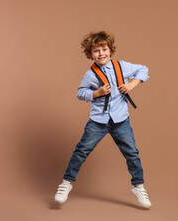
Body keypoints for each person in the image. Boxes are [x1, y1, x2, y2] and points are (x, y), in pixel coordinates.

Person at [54, 31, 152, 208]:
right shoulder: (90, 75)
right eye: (96, 51)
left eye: (104, 49)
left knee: (132, 153)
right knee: (81, 151)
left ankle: (138, 185)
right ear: (90, 55)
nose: (101, 54)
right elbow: (80, 93)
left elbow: (143, 69)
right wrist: (96, 93)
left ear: (110, 50)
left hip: (121, 120)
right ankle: (66, 183)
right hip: (98, 121)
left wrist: (131, 84)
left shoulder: (121, 66)